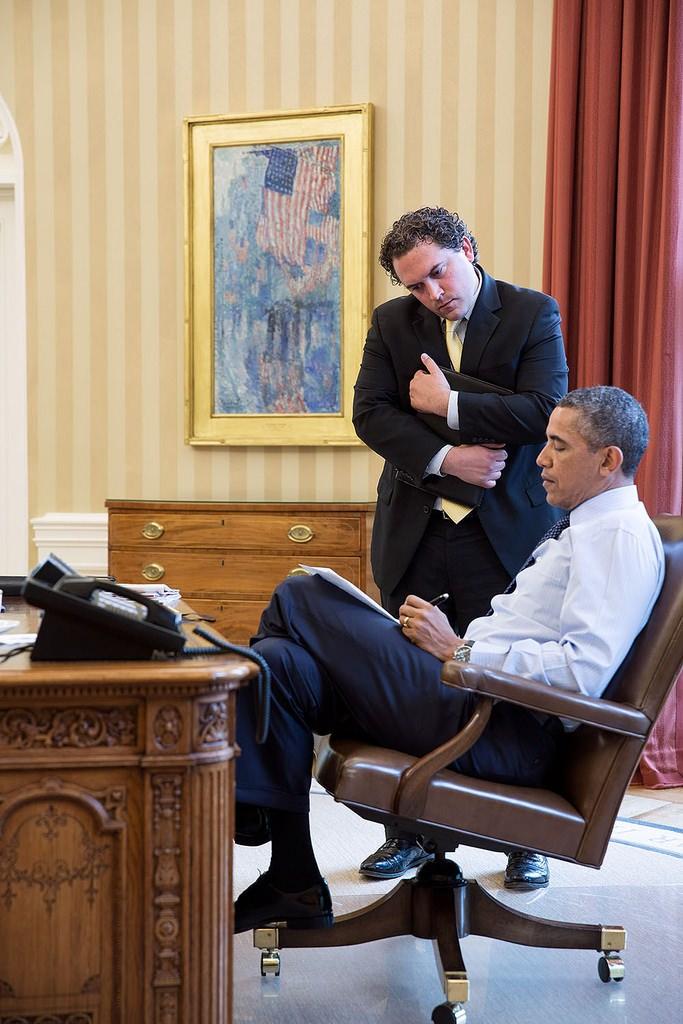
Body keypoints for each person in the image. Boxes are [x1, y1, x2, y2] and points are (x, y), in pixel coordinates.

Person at [234, 387, 665, 933]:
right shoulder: (588, 526)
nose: (540, 459)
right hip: (477, 703)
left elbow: (582, 674)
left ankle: (247, 802)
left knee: (302, 596)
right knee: (280, 664)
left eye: (559, 446)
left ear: (608, 460)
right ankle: (292, 878)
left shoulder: (616, 534)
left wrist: (458, 649)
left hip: (499, 728)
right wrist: (452, 646)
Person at [352, 207, 568, 886]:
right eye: (415, 285)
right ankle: (408, 833)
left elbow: (545, 411)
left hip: (503, 534)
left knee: (509, 681)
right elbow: (371, 414)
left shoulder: (532, 312)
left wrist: (448, 403)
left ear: (466, 249)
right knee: (410, 681)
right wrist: (451, 460)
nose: (431, 293)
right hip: (416, 531)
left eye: (438, 273)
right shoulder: (391, 323)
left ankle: (523, 839)